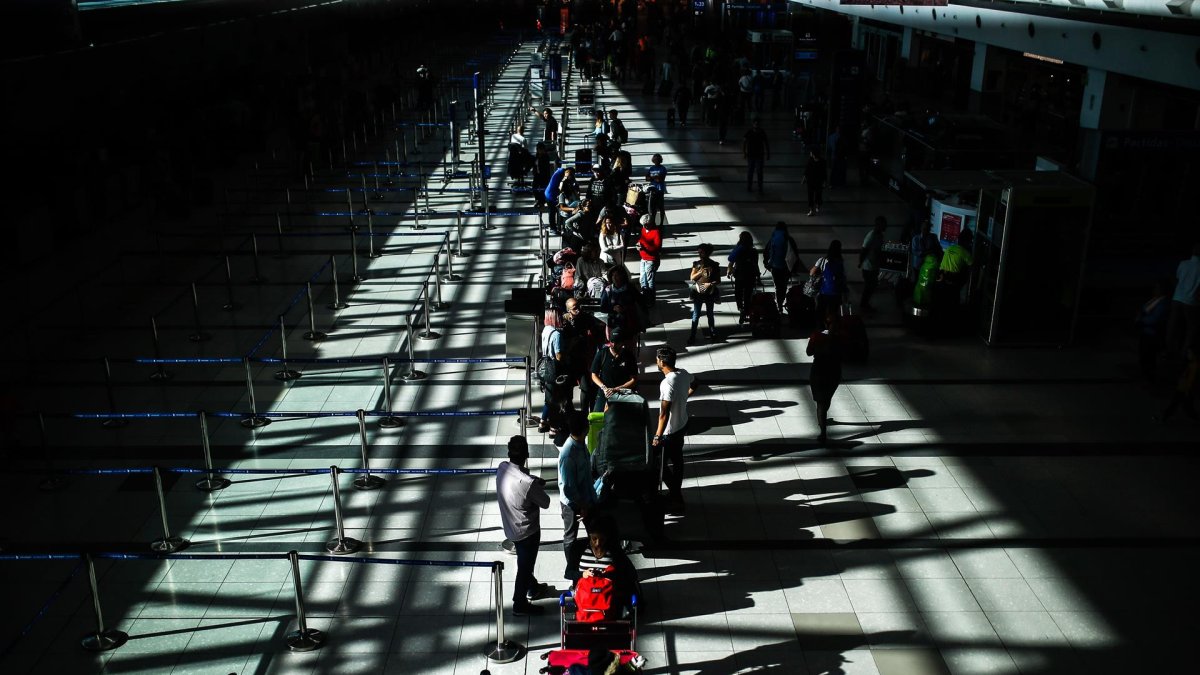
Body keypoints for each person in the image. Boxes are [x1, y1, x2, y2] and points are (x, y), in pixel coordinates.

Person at [496, 435, 551, 616]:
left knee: (524, 561)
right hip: (528, 531)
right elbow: (546, 502)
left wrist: (533, 479)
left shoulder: (502, 468)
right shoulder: (528, 484)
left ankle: (533, 587)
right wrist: (534, 484)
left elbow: (518, 476)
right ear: (527, 453)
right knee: (525, 567)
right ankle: (519, 603)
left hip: (510, 526)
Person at [653, 346, 696, 513]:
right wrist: (685, 395)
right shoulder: (683, 373)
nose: (656, 361)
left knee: (660, 464)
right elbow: (696, 382)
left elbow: (663, 415)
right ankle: (676, 492)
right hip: (683, 424)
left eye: (657, 359)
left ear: (662, 362)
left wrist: (657, 436)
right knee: (678, 461)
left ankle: (676, 495)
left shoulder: (667, 383)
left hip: (669, 432)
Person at [557, 411, 596, 578]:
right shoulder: (568, 454)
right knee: (570, 536)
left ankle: (594, 563)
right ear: (584, 429)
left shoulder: (580, 444)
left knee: (594, 531)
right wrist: (582, 506)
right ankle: (572, 570)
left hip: (586, 498)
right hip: (572, 504)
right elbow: (568, 488)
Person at [806, 310, 843, 444]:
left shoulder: (817, 336)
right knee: (825, 400)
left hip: (819, 370)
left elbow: (809, 353)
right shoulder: (842, 338)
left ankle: (823, 432)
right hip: (834, 371)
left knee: (820, 403)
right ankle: (823, 421)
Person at [590, 328, 638, 412]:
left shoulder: (629, 356)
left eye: (617, 342)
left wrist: (617, 389)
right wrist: (604, 388)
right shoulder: (602, 354)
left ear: (622, 342)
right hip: (605, 392)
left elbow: (633, 379)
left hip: (623, 393)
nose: (614, 344)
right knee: (597, 418)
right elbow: (594, 375)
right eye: (612, 341)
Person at [539, 308, 571, 434]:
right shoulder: (557, 334)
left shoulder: (546, 329)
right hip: (555, 368)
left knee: (549, 396)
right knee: (556, 399)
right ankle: (554, 427)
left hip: (546, 366)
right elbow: (559, 355)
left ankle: (543, 422)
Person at [1167, 242, 1200, 357]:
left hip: (1177, 298)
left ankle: (1169, 350)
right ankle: (1184, 352)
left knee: (1172, 325)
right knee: (1191, 328)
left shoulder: (1183, 264)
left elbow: (1178, 279)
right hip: (1190, 301)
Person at [1136, 281, 1171, 385]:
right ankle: (1146, 377)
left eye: (1157, 288)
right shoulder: (1154, 300)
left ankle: (1150, 379)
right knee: (1144, 356)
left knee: (1149, 357)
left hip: (1152, 335)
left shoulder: (1163, 303)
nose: (1154, 290)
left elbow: (1155, 319)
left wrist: (1141, 320)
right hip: (1146, 332)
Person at [763, 222, 801, 314]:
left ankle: (779, 304)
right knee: (783, 286)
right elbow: (794, 254)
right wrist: (794, 268)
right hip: (786, 267)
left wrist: (766, 263)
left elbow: (766, 252)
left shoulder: (772, 239)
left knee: (777, 285)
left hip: (774, 267)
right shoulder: (789, 239)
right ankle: (781, 301)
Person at [687, 243, 720, 345]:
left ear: (707, 253)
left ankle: (712, 332)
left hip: (709, 291)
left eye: (701, 252)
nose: (699, 254)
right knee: (696, 314)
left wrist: (711, 284)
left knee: (710, 314)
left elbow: (718, 280)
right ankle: (693, 335)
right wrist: (701, 272)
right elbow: (692, 278)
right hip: (699, 291)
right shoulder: (696, 264)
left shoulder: (714, 265)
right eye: (699, 252)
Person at [727, 230, 760, 325]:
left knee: (738, 293)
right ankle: (746, 311)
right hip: (751, 276)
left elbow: (730, 258)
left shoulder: (739, 249)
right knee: (747, 295)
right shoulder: (754, 251)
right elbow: (755, 264)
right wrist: (758, 276)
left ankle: (741, 309)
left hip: (740, 275)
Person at [811, 239, 848, 317]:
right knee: (833, 313)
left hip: (824, 292)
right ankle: (831, 327)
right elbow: (843, 278)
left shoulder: (823, 260)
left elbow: (812, 273)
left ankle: (821, 327)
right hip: (836, 293)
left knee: (820, 312)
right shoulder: (840, 262)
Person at [858, 216, 887, 311]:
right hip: (868, 267)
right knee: (869, 286)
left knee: (872, 286)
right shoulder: (871, 236)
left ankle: (864, 303)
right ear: (878, 225)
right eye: (884, 224)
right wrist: (860, 262)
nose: (886, 226)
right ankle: (863, 304)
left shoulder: (880, 235)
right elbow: (864, 250)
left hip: (874, 265)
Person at [636, 214, 662, 304]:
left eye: (645, 224)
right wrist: (638, 244)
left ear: (650, 223)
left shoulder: (656, 232)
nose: (644, 226)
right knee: (642, 279)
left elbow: (657, 247)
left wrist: (644, 246)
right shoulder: (644, 229)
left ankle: (651, 299)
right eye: (643, 224)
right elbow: (641, 240)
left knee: (650, 280)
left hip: (651, 259)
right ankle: (645, 296)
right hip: (643, 258)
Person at [743, 118, 769, 193]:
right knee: (751, 171)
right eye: (755, 123)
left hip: (759, 155)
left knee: (758, 171)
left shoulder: (761, 132)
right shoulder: (750, 132)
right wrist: (744, 152)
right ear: (753, 124)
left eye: (757, 123)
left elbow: (766, 143)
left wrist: (768, 153)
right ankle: (750, 186)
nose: (756, 125)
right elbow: (744, 142)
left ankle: (759, 187)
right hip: (751, 155)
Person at [644, 153, 668, 228]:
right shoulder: (651, 168)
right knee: (653, 207)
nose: (656, 161)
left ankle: (661, 223)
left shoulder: (663, 168)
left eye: (658, 159)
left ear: (660, 160)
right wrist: (655, 177)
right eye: (655, 159)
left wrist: (652, 177)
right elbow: (647, 178)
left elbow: (660, 179)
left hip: (660, 190)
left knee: (661, 206)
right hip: (652, 189)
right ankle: (653, 222)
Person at [803, 149, 827, 216]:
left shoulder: (822, 162)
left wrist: (824, 181)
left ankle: (817, 205)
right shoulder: (810, 160)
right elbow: (807, 170)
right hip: (811, 181)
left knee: (818, 195)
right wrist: (804, 179)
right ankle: (811, 210)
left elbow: (824, 172)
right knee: (810, 196)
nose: (810, 154)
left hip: (818, 181)